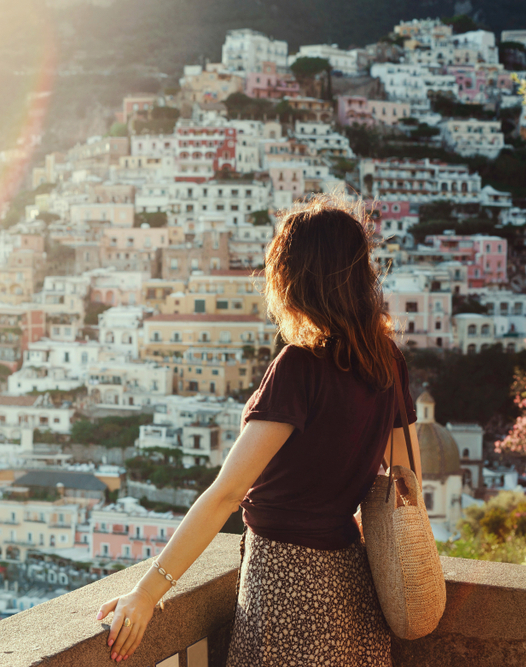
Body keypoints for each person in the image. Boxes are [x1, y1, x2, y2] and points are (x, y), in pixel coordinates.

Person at [96, 197, 421, 666]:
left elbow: (227, 494)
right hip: (357, 590)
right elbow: (409, 483)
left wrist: (146, 593)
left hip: (287, 589)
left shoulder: (300, 367)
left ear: (295, 278)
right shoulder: (387, 361)